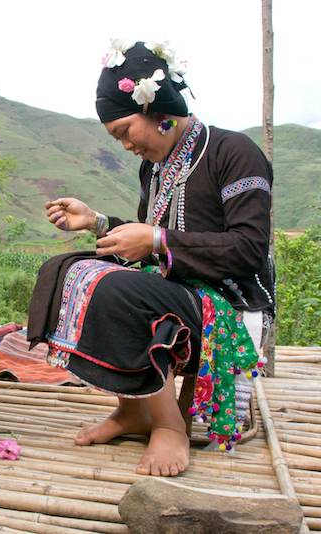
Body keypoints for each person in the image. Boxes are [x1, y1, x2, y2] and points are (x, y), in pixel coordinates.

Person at [28, 40, 274, 476]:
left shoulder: (234, 152)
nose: (125, 146)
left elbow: (249, 250)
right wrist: (98, 222)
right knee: (66, 270)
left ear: (159, 111)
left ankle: (169, 425)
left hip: (229, 304)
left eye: (125, 131)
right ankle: (134, 409)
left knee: (115, 288)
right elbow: (148, 241)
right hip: (177, 290)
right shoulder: (156, 167)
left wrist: (158, 240)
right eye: (116, 137)